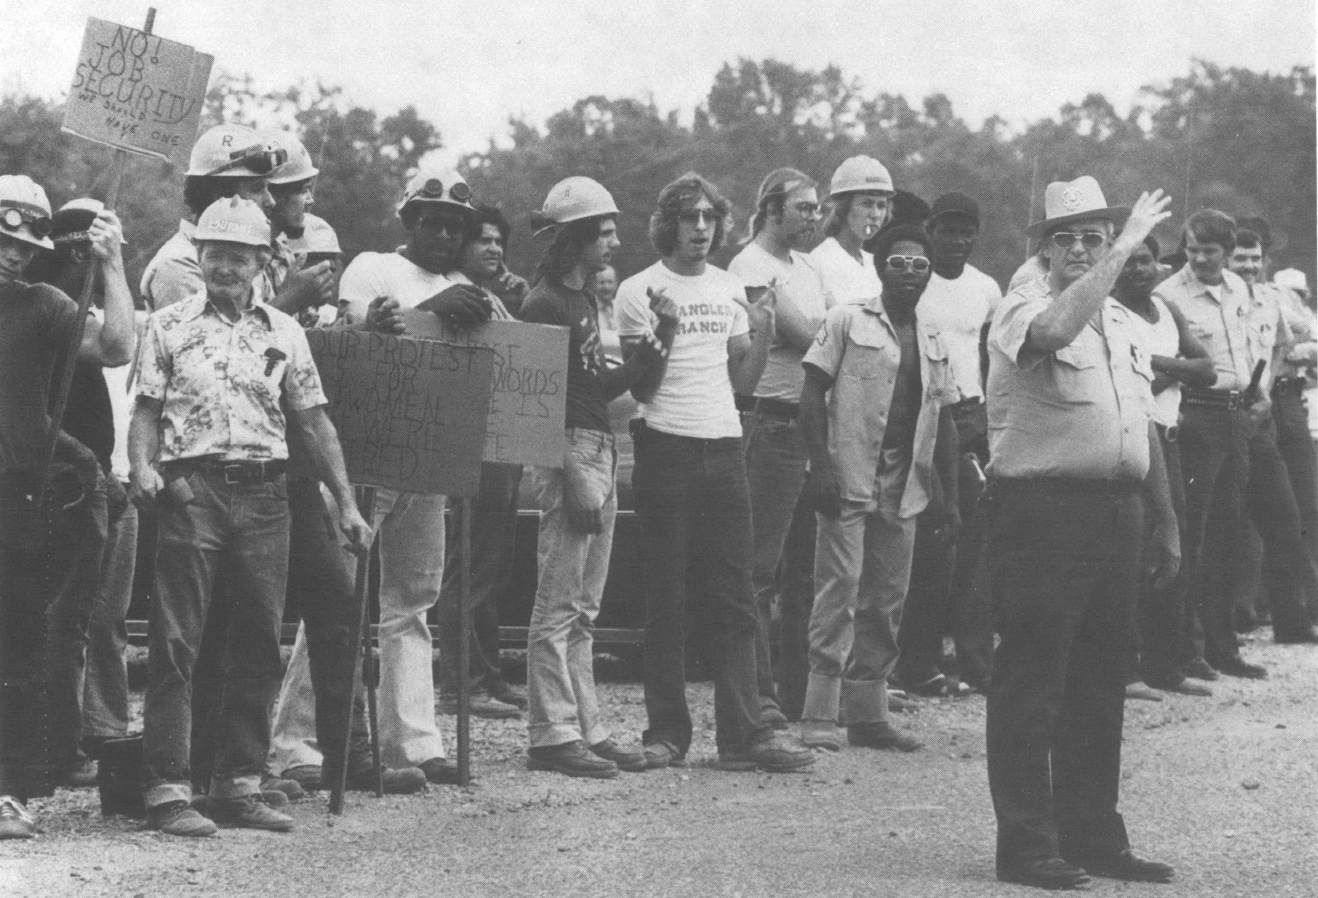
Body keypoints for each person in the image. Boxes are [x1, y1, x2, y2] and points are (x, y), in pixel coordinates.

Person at [130, 196, 371, 837]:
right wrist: (145, 468)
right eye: (215, 254)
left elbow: (314, 421)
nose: (226, 267)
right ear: (200, 255)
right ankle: (168, 789)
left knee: (259, 641)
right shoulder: (169, 325)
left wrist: (345, 502)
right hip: (194, 489)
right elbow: (146, 412)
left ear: (264, 262)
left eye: (239, 256)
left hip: (267, 496)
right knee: (178, 641)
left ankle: (238, 784)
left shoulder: (282, 332)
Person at [984, 177, 1178, 889]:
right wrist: (1126, 245)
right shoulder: (1024, 304)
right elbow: (1054, 332)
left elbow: (1143, 426)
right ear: (1043, 247)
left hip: (1116, 512)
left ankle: (1094, 835)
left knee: (1100, 684)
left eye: (1093, 235)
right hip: (1044, 514)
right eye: (1063, 237)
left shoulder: (1125, 324)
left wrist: (1166, 521)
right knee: (1033, 683)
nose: (1079, 247)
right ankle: (1028, 848)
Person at [615, 172, 813, 773]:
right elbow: (641, 385)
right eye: (688, 218)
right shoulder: (638, 288)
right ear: (667, 224)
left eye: (709, 218)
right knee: (666, 596)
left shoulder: (730, 288)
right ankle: (667, 733)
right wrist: (665, 330)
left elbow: (742, 386)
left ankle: (743, 735)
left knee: (735, 596)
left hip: (724, 446)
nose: (700, 229)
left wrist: (765, 328)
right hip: (664, 444)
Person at [338, 167, 494, 784]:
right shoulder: (372, 267)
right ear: (408, 221)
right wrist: (431, 307)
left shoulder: (464, 281)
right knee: (343, 598)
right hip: (371, 452)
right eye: (431, 220)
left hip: (429, 457)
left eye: (455, 224)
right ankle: (304, 739)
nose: (443, 233)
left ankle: (415, 743)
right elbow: (357, 333)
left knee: (414, 600)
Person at [266, 212, 427, 797]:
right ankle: (257, 757)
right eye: (312, 261)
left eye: (331, 262)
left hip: (310, 481)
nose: (324, 273)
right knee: (256, 624)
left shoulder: (331, 323)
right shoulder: (268, 310)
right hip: (255, 477)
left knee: (340, 612)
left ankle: (347, 748)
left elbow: (322, 408)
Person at [518, 177, 669, 778]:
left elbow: (598, 387)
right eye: (602, 232)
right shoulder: (545, 304)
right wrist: (567, 469)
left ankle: (586, 727)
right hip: (571, 453)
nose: (613, 241)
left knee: (585, 607)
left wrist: (656, 340)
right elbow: (538, 399)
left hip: (599, 444)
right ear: (576, 237)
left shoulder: (582, 301)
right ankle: (550, 734)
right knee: (557, 604)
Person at [0, 175, 134, 839]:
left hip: (16, 493)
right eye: (2, 239)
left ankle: (12, 792)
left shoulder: (45, 305)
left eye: (24, 245)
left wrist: (111, 264)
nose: (11, 253)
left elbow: (117, 347)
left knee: (19, 647)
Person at [797, 224, 959, 752]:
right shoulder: (846, 320)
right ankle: (820, 712)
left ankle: (867, 715)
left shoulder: (935, 336)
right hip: (847, 475)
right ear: (879, 266)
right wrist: (819, 466)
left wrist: (949, 496)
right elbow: (811, 391)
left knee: (887, 596)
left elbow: (945, 419)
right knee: (838, 590)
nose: (909, 273)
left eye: (919, 265)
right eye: (898, 262)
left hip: (902, 482)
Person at [1156, 212, 1317, 682]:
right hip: (1195, 415)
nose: (1200, 259)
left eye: (1210, 251)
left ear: (1228, 252)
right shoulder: (1170, 294)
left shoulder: (1240, 289)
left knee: (1230, 533)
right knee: (1193, 533)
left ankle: (1222, 647)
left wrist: (1258, 392)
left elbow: (1252, 347)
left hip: (1239, 417)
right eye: (1192, 250)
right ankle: (1183, 649)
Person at [24, 199, 143, 786]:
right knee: (43, 622)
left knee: (78, 623)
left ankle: (64, 746)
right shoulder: (33, 305)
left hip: (89, 483)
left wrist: (115, 266)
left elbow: (120, 346)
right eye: (78, 250)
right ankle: (44, 752)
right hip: (45, 481)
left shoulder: (63, 309)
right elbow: (26, 410)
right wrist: (84, 461)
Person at [728, 168, 831, 729]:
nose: (813, 217)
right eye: (804, 208)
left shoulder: (809, 267)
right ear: (772, 210)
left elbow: (827, 326)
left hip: (805, 422)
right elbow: (812, 334)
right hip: (766, 424)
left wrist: (821, 327)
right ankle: (758, 697)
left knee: (801, 573)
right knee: (759, 568)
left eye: (816, 208)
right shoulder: (749, 266)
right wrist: (819, 328)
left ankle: (793, 695)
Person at [895, 192, 1002, 697]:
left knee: (975, 546)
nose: (957, 240)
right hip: (929, 414)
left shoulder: (986, 288)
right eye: (947, 229)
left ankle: (977, 662)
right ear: (930, 230)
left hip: (973, 414)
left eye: (966, 231)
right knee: (932, 540)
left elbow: (989, 354)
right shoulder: (917, 279)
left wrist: (987, 418)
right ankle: (918, 661)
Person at [435, 204, 529, 720]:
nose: (493, 249)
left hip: (504, 436)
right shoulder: (456, 293)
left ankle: (487, 673)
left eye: (499, 242)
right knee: (467, 563)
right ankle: (460, 683)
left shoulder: (497, 295)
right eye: (482, 241)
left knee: (493, 563)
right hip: (472, 436)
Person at [1111, 236, 1216, 698]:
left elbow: (1208, 368)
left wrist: (1157, 363)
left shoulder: (1165, 309)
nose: (1139, 269)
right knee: (1132, 553)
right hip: (1133, 441)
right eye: (1129, 262)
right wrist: (1176, 371)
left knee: (1172, 550)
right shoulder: (1111, 314)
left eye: (1146, 260)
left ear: (1157, 264)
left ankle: (1165, 664)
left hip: (1170, 441)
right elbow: (1129, 386)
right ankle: (1125, 668)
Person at [139, 124, 333, 315]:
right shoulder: (180, 264)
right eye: (257, 189)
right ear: (219, 196)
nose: (270, 201)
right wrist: (290, 300)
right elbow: (203, 345)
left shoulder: (243, 258)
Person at [1228, 229, 1318, 621]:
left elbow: (1302, 338)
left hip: (1276, 397)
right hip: (1234, 406)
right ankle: (1245, 607)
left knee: (1294, 502)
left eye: (1255, 258)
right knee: (1243, 510)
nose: (1249, 266)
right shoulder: (1223, 296)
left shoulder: (1276, 297)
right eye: (1240, 258)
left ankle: (1294, 606)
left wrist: (1280, 368)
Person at [810, 155, 892, 306]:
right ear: (843, 207)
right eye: (866, 204)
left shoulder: (875, 264)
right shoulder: (819, 262)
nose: (875, 215)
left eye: (881, 206)